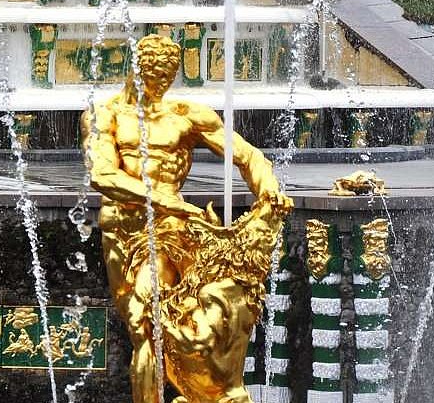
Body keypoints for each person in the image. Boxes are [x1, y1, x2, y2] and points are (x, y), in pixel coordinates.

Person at [84, 34, 291, 403]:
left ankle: (210, 388)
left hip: (170, 231)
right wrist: (171, 202)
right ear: (136, 70)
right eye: (153, 75)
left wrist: (269, 192)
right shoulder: (105, 115)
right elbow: (102, 175)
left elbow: (248, 156)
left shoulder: (186, 115)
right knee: (140, 327)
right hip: (123, 227)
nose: (160, 84)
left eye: (167, 76)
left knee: (160, 319)